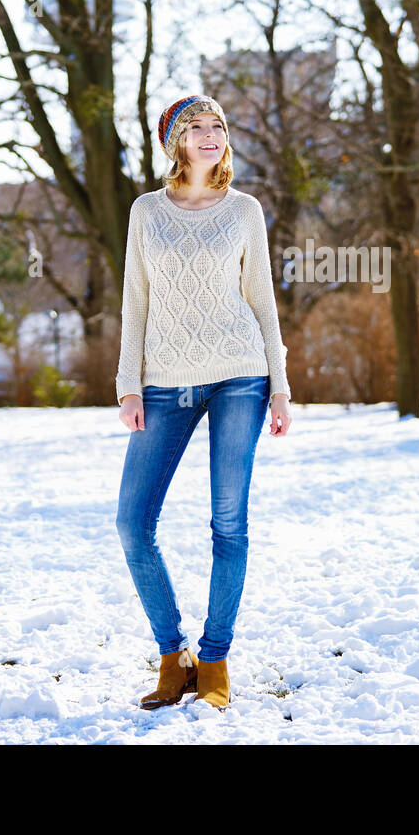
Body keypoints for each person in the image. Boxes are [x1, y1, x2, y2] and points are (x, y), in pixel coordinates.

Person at [114, 94, 292, 713]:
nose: (211, 135)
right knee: (133, 525)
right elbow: (135, 301)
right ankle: (174, 655)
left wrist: (280, 382)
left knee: (228, 523)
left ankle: (214, 658)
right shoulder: (146, 212)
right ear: (176, 144)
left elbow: (262, 299)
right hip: (163, 380)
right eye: (196, 127)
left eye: (217, 125)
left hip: (241, 374)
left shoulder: (245, 210)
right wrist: (128, 383)